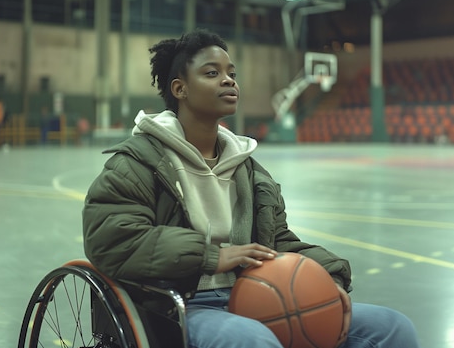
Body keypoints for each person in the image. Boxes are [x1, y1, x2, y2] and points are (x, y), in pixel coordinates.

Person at [82, 28, 419, 348]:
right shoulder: (138, 162)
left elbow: (279, 244)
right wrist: (211, 256)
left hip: (258, 293)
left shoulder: (250, 171)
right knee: (252, 341)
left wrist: (327, 278)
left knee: (390, 328)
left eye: (231, 73)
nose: (228, 79)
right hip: (178, 305)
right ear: (180, 89)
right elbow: (112, 239)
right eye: (211, 73)